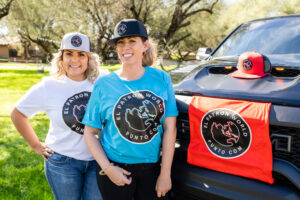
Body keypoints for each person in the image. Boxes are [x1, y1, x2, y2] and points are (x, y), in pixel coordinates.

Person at [83, 19, 178, 200]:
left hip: (151, 168)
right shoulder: (103, 85)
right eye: (121, 43)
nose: (126, 47)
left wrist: (165, 173)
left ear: (145, 45)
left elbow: (170, 128)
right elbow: (89, 132)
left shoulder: (161, 79)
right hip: (115, 167)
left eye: (132, 41)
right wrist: (108, 169)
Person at [10, 32, 108, 200]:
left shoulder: (103, 80)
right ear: (61, 58)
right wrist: (35, 145)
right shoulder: (49, 86)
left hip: (98, 161)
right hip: (63, 163)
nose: (74, 60)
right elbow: (17, 113)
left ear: (89, 58)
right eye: (68, 53)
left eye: (81, 54)